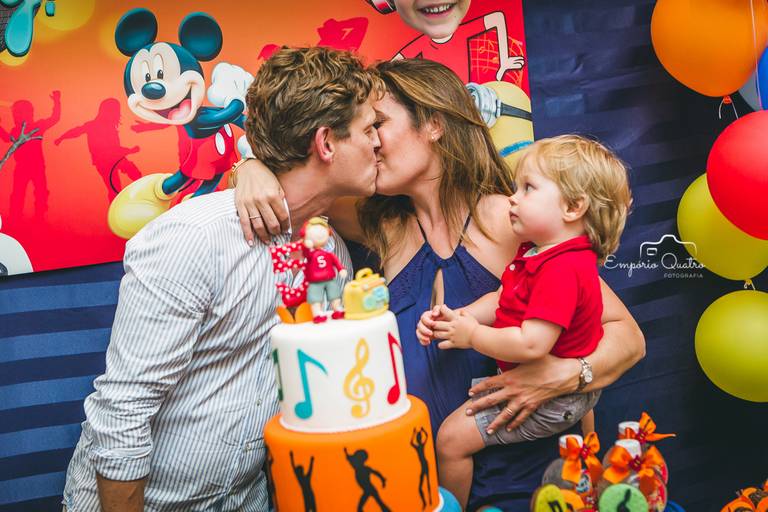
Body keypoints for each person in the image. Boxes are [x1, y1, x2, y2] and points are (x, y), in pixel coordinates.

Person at [233, 58, 645, 511]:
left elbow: (627, 336)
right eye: (365, 128)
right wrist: (251, 167)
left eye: (380, 123)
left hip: (532, 489)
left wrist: (565, 374)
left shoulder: (506, 222)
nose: (371, 140)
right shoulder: (384, 228)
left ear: (432, 124)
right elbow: (302, 184)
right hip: (427, 492)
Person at [61, 46, 382, 512]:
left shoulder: (328, 251)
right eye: (370, 129)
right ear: (327, 143)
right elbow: (123, 410)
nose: (379, 142)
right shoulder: (193, 239)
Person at [417, 135, 632, 507]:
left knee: (451, 439)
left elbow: (532, 344)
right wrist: (464, 315)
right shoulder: (538, 253)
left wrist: (472, 335)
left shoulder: (562, 269)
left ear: (573, 207)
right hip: (566, 389)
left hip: (557, 396)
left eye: (528, 188)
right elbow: (503, 299)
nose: (512, 197)